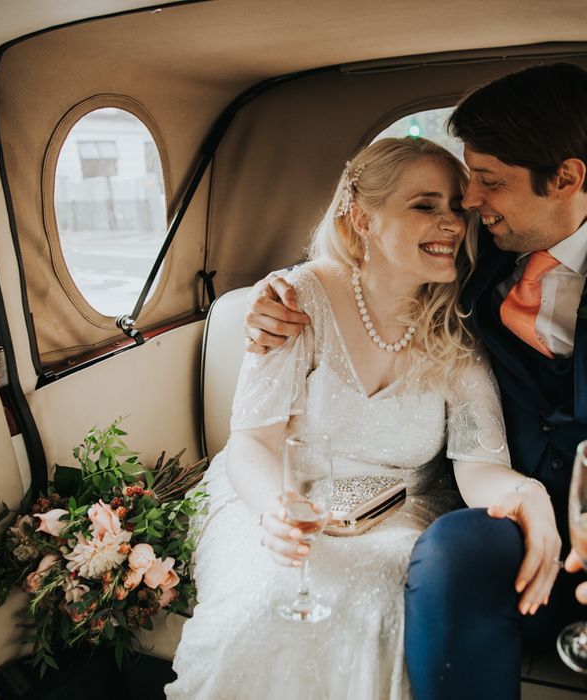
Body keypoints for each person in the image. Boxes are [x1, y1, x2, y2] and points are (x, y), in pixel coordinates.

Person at [165, 136, 556, 700]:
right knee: (267, 604)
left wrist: (528, 494)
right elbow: (253, 442)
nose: (451, 223)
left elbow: (479, 467)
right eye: (425, 205)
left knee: (378, 603)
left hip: (397, 514)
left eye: (455, 207)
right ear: (362, 218)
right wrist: (277, 509)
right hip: (271, 493)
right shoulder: (295, 299)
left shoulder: (457, 326)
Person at [244, 62, 587, 699]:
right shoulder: (475, 278)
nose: (469, 211)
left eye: (483, 184)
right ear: (362, 219)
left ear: (566, 179)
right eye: (447, 199)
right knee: (451, 550)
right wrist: (264, 303)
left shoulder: (456, 285)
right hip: (498, 516)